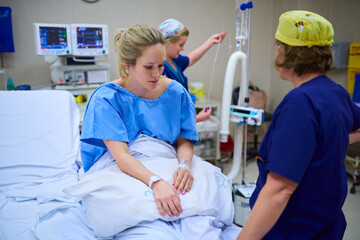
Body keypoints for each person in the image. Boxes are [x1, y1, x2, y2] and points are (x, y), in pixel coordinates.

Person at [237, 10, 360, 240]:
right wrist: (330, 143)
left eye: (278, 46)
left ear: (285, 52)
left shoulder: (299, 104)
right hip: (326, 227)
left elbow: (279, 190)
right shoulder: (336, 93)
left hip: (293, 231)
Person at [80, 24, 198, 218]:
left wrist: (184, 165)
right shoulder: (107, 99)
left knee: (193, 206)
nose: (157, 74)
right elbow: (122, 156)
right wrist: (155, 182)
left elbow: (184, 139)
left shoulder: (175, 93)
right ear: (128, 64)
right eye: (148, 67)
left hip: (166, 161)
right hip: (120, 165)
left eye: (161, 65)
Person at [158, 18, 227, 122]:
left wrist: (210, 42)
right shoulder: (160, 70)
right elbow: (168, 116)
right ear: (169, 41)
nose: (183, 49)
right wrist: (198, 118)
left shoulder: (175, 60)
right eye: (181, 45)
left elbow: (190, 59)